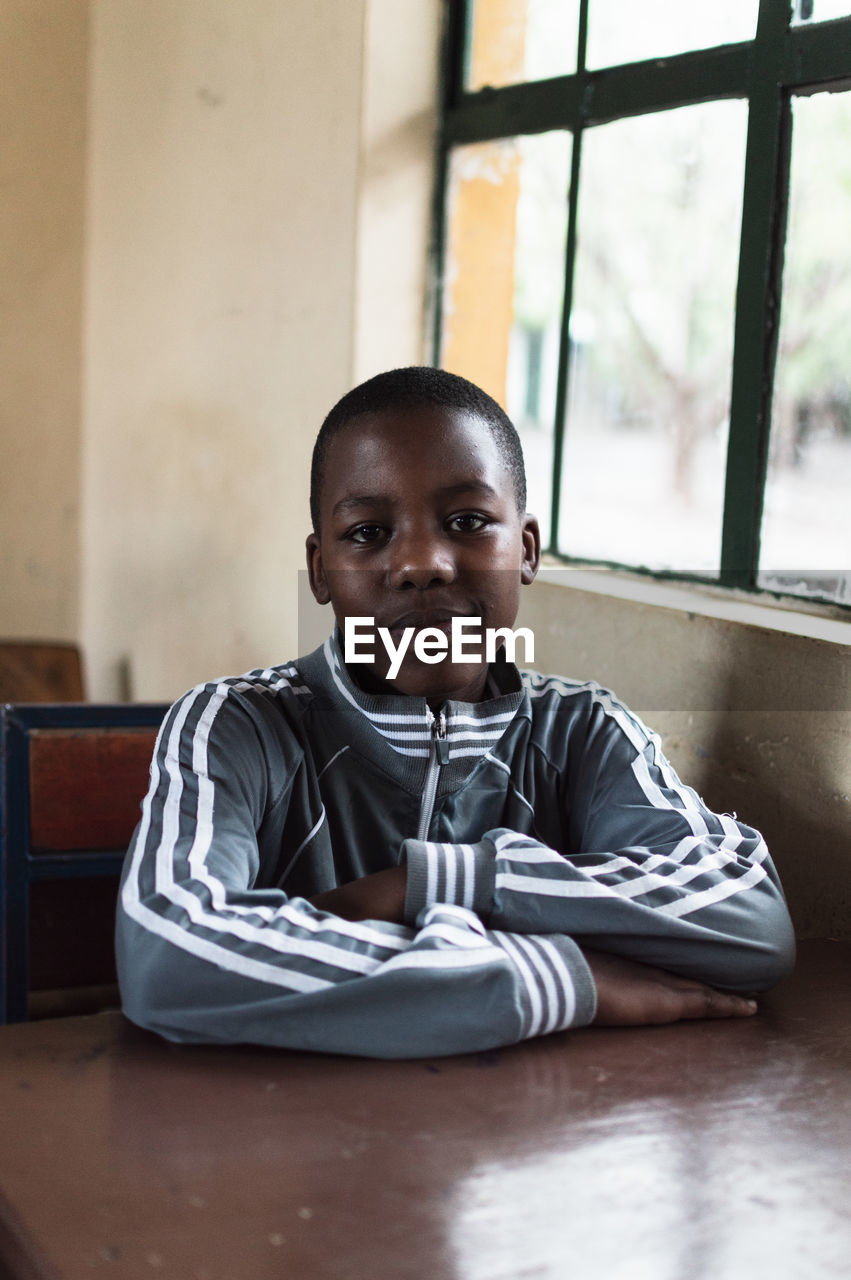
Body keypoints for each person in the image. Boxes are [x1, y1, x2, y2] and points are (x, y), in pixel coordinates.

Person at [115, 367, 795, 1058]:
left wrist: (432, 881)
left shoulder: (584, 731)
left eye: (467, 521)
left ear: (525, 550)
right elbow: (168, 957)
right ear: (319, 570)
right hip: (291, 1140)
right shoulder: (237, 724)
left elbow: (747, 919)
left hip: (533, 1140)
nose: (420, 562)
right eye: (368, 531)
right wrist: (549, 978)